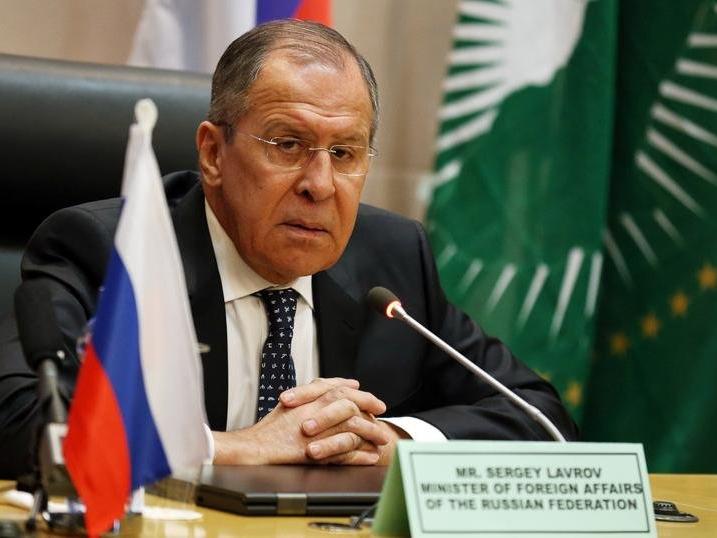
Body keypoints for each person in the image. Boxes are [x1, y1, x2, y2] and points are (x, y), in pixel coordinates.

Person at [0, 20, 577, 478]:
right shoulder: (112, 253)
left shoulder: (392, 259)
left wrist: (394, 440)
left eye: (345, 153)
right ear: (213, 154)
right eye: (288, 144)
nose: (319, 184)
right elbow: (23, 422)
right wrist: (239, 447)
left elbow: (541, 418)